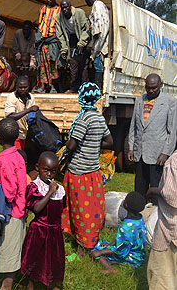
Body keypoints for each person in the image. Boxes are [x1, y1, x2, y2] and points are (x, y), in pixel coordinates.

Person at [62, 82, 113, 256]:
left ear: (82, 98)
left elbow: (72, 145)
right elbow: (110, 142)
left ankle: (81, 247)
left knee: (79, 210)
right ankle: (89, 240)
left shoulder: (83, 119)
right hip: (93, 172)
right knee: (91, 209)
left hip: (78, 172)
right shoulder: (99, 117)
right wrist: (93, 144)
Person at [0, 117, 27, 290]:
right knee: (5, 246)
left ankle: (7, 284)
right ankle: (0, 280)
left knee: (8, 248)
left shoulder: (2, 160)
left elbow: (9, 191)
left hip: (10, 211)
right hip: (19, 208)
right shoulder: (18, 156)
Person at [128, 74, 177, 203]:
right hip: (140, 153)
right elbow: (134, 126)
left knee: (156, 191)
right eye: (148, 88)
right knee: (139, 189)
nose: (151, 91)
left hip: (157, 155)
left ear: (161, 85)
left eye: (154, 88)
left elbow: (172, 132)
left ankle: (155, 218)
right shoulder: (139, 101)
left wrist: (166, 152)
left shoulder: (170, 102)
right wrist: (131, 147)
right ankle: (139, 217)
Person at [21, 151, 65, 290]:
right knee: (34, 259)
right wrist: (49, 193)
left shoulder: (60, 189)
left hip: (54, 231)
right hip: (39, 230)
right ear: (37, 167)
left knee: (52, 260)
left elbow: (61, 208)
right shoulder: (35, 187)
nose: (49, 174)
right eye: (46, 170)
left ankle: (49, 284)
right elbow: (37, 208)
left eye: (53, 171)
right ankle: (31, 284)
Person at [91, 191, 146, 273]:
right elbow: (129, 241)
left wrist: (101, 252)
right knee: (102, 244)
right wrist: (111, 244)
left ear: (126, 205)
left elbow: (121, 252)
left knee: (95, 251)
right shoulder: (139, 219)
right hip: (139, 255)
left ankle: (109, 268)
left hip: (131, 258)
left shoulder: (126, 227)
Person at [146, 150, 177, 289]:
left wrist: (154, 191)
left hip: (171, 232)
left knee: (163, 277)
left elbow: (171, 196)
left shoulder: (175, 161)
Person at [55, 0, 91, 93]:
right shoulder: (59, 17)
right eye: (62, 8)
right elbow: (60, 34)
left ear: (70, 7)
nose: (64, 10)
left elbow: (86, 29)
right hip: (70, 40)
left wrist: (82, 42)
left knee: (83, 65)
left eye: (66, 7)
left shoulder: (79, 13)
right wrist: (64, 49)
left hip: (81, 38)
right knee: (73, 65)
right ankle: (74, 87)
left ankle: (85, 88)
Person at [36, 0, 61, 93]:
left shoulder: (59, 10)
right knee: (42, 64)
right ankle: (42, 86)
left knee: (52, 64)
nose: (48, 0)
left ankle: (52, 86)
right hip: (43, 41)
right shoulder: (43, 9)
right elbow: (40, 24)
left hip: (53, 40)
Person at [5, 75, 38, 151]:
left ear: (29, 87)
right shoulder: (11, 97)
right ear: (16, 87)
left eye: (25, 87)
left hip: (25, 132)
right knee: (18, 154)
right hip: (14, 132)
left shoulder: (31, 97)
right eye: (20, 87)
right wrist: (28, 110)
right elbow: (10, 116)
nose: (23, 89)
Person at [85, 0, 110, 89]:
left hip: (100, 43)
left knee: (98, 66)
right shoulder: (102, 5)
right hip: (103, 41)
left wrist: (92, 41)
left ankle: (98, 89)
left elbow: (98, 25)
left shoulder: (97, 6)